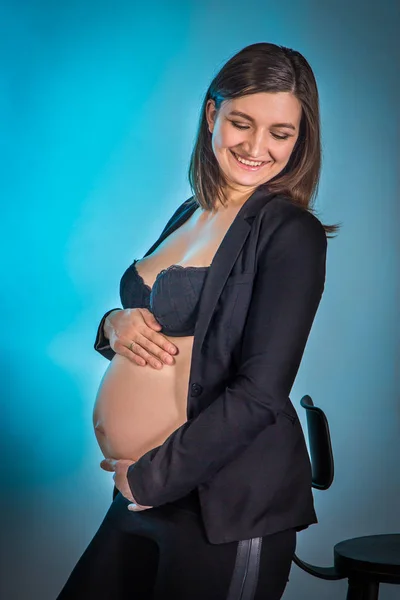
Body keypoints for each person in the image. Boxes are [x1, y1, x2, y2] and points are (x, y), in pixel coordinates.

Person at [56, 42, 339, 600]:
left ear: (300, 138)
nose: (257, 147)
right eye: (241, 122)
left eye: (280, 133)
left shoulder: (290, 234)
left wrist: (148, 478)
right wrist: (113, 324)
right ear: (212, 113)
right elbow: (156, 319)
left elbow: (259, 393)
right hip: (142, 494)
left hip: (224, 507)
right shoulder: (190, 210)